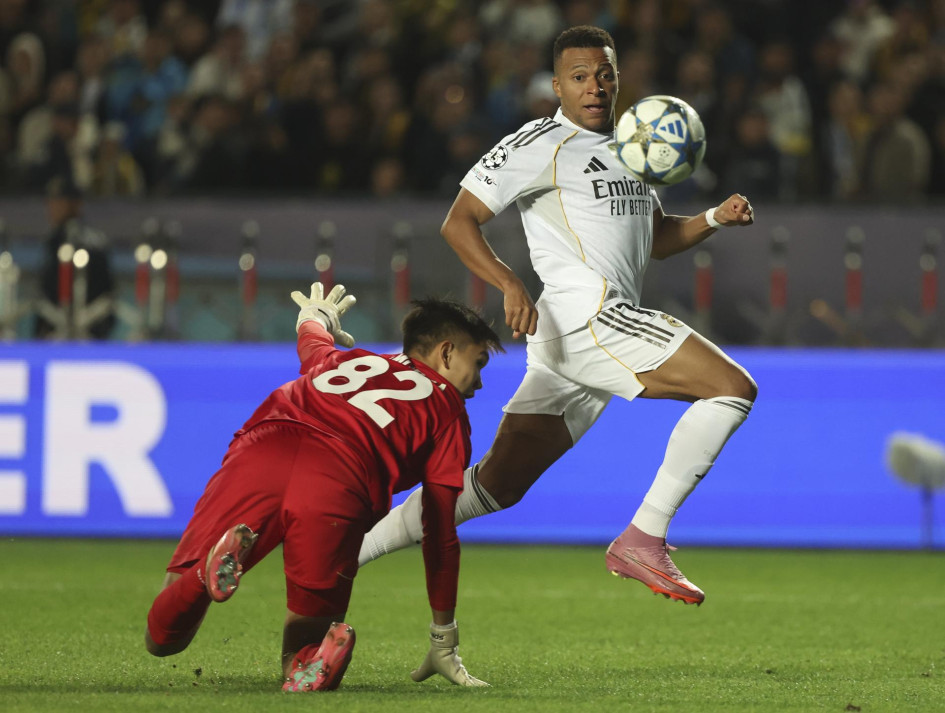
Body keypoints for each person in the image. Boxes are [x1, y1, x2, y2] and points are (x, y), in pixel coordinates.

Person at [359, 25, 757, 606]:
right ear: (557, 86)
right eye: (579, 77)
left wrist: (714, 219)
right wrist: (507, 280)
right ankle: (643, 537)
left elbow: (655, 239)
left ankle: (348, 551)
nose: (593, 87)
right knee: (731, 388)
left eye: (604, 75)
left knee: (497, 484)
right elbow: (459, 220)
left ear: (617, 80)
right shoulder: (536, 145)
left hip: (567, 340)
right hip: (592, 318)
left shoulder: (631, 147)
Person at [144, 283, 501, 691]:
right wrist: (443, 635)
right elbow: (439, 533)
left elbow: (312, 342)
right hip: (339, 479)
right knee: (305, 637)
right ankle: (307, 663)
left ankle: (205, 573)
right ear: (447, 352)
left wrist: (316, 317)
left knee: (163, 640)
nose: (479, 383)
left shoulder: (348, 360)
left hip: (264, 447)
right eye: (480, 362)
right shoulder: (448, 412)